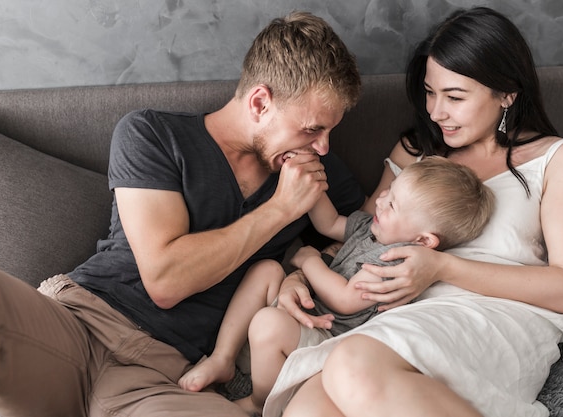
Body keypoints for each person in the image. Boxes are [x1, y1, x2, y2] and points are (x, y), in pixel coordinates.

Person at [0, 12, 366, 417]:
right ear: (260, 103)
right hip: (80, 323)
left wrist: (303, 266)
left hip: (167, 379)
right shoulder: (153, 134)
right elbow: (166, 280)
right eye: (312, 129)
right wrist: (281, 209)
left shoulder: (315, 172)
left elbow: (370, 231)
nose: (324, 147)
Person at [265, 6, 563, 417]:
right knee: (307, 409)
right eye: (429, 92)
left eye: (455, 97)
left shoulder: (554, 158)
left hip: (492, 316)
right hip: (403, 314)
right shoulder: (416, 152)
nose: (437, 112)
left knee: (350, 365)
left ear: (507, 94)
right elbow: (361, 236)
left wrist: (440, 268)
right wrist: (298, 272)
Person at [178, 156, 495, 415]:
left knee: (268, 323)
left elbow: (345, 300)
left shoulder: (398, 262)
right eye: (390, 191)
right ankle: (222, 358)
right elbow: (328, 223)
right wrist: (310, 183)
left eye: (394, 205)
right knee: (266, 270)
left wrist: (308, 260)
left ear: (422, 240)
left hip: (327, 338)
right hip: (306, 309)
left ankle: (259, 402)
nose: (381, 199)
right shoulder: (373, 229)